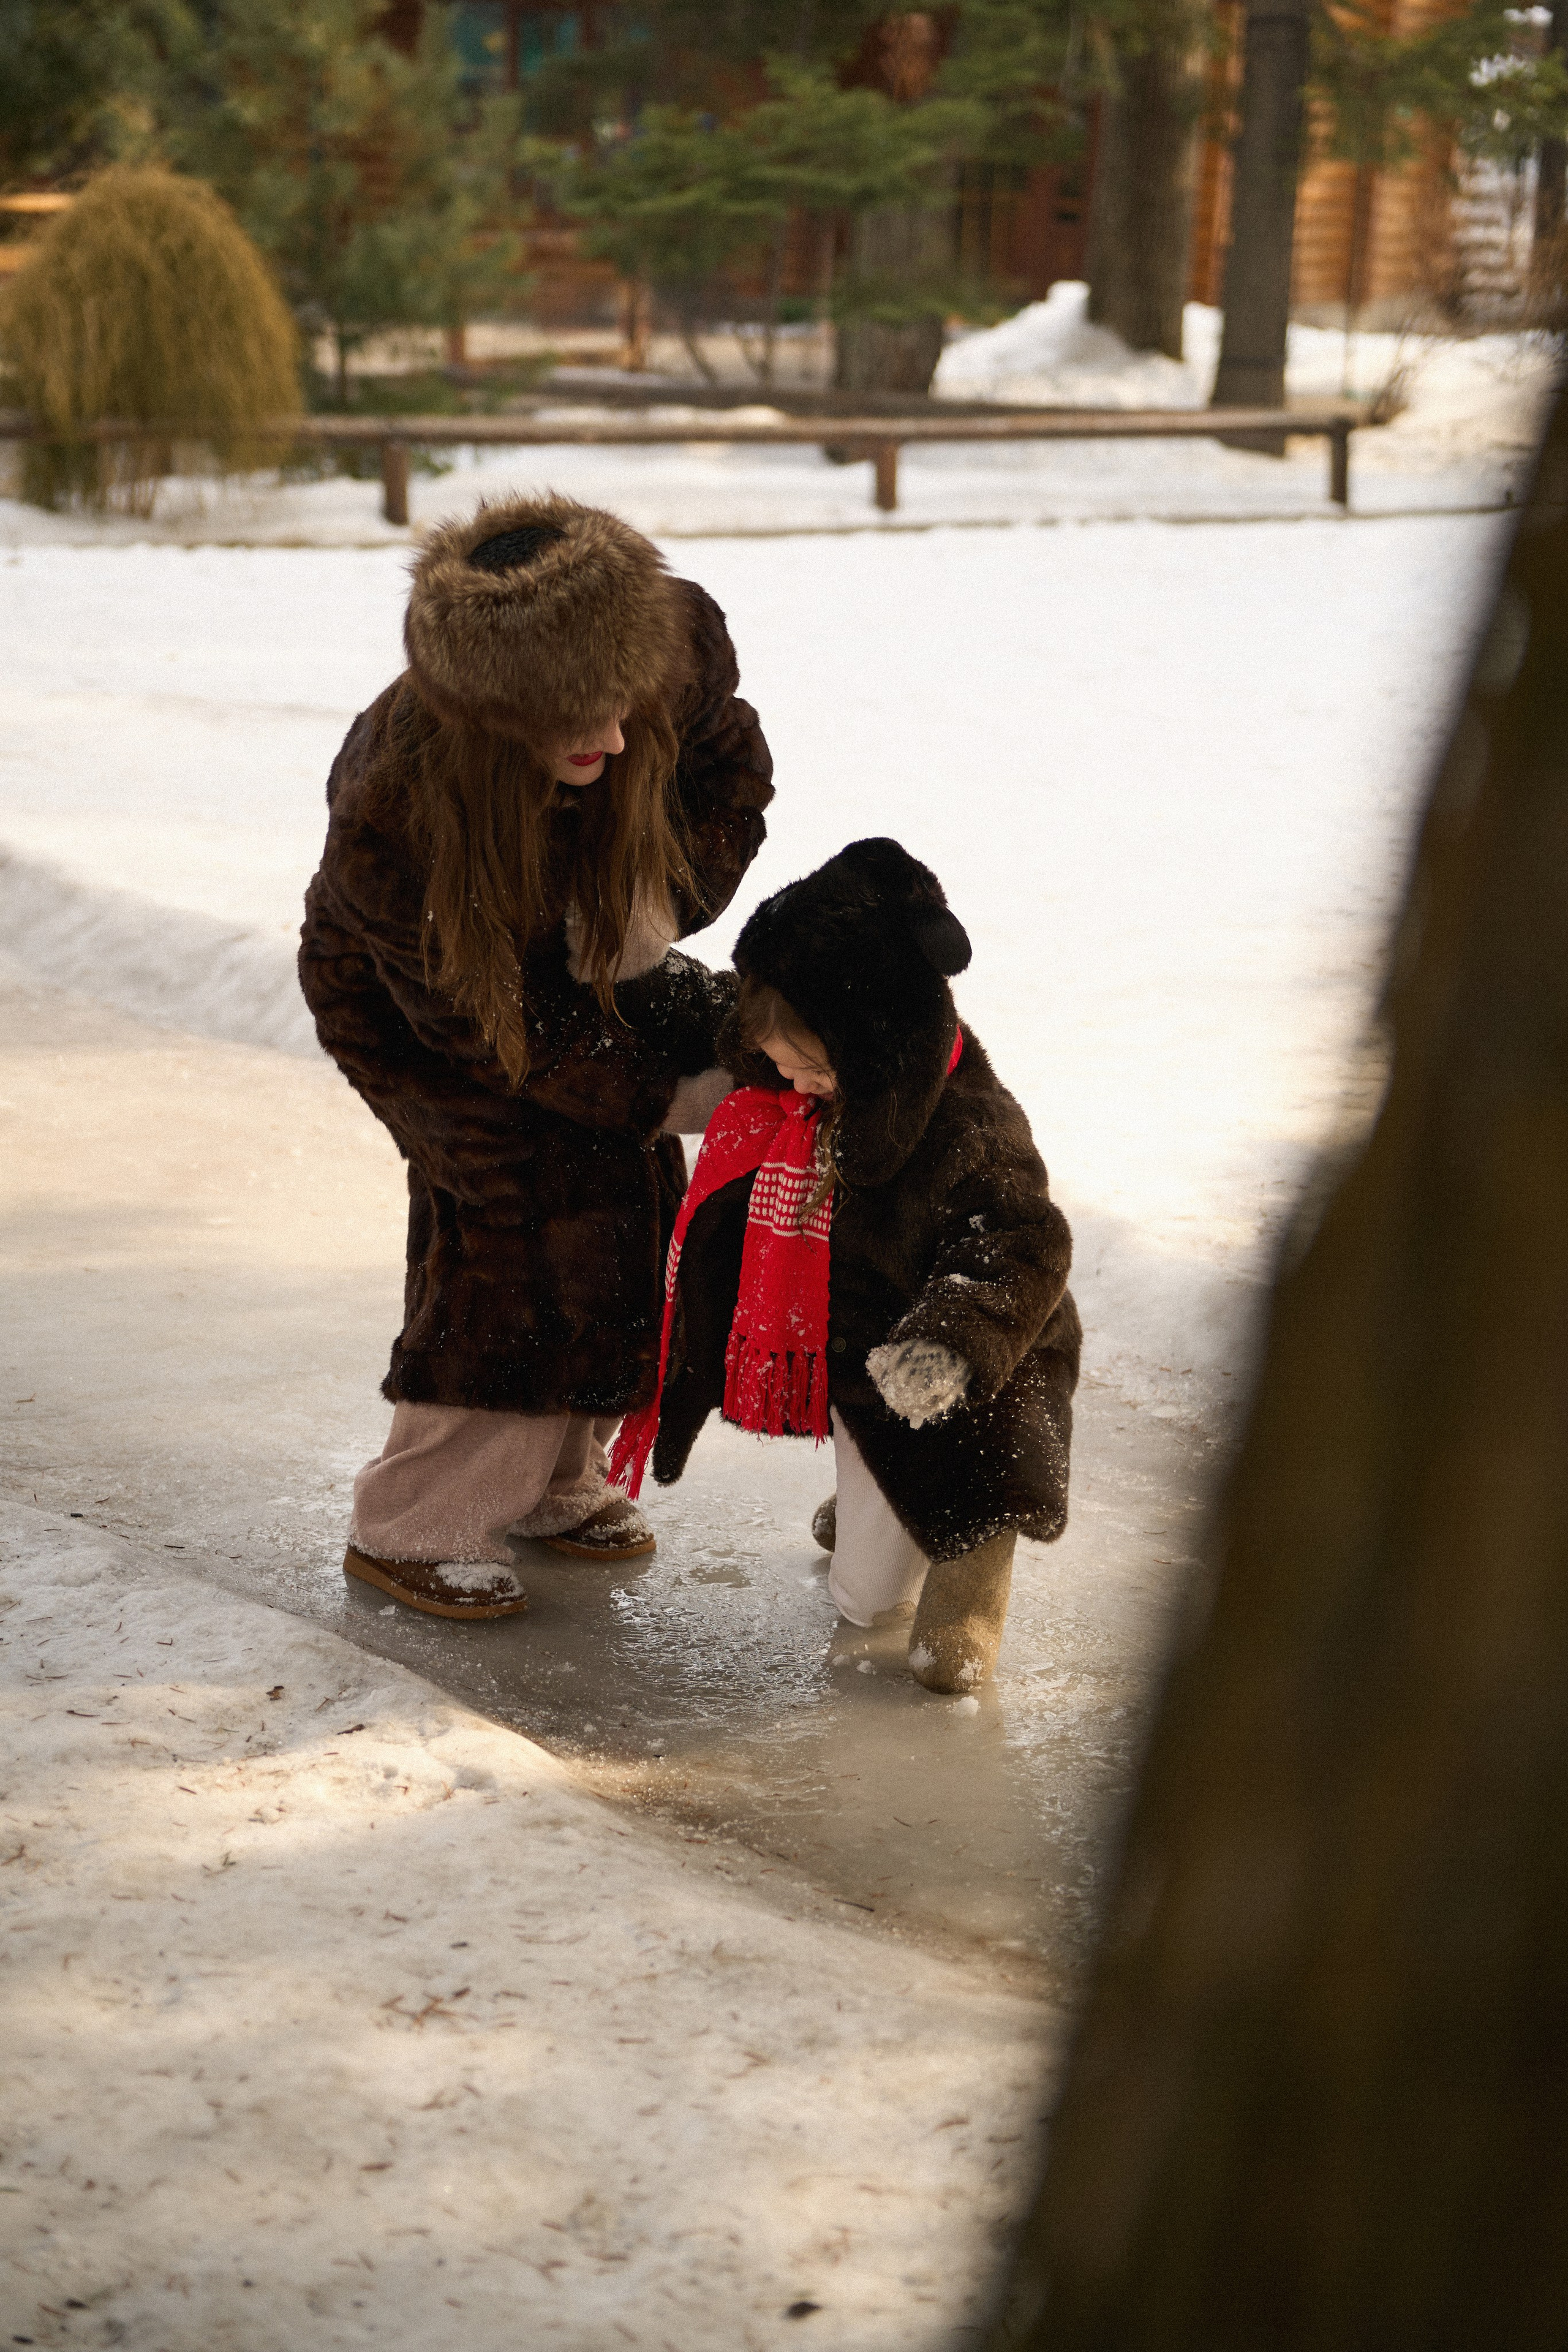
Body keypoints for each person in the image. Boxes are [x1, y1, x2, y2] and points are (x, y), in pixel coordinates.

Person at [298, 493, 773, 1620]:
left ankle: (563, 1478)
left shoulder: (670, 642)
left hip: (577, 930)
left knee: (628, 1204)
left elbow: (731, 772)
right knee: (516, 1212)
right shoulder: (399, 809)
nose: (611, 743)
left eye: (620, 714)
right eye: (574, 728)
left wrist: (649, 892)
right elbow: (494, 1034)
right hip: (419, 1002)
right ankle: (417, 1522)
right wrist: (667, 1092)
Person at [610, 837, 1080, 1694]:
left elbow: (1025, 1243)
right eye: (775, 1051)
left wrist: (950, 1345)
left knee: (897, 1581)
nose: (784, 1073)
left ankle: (975, 1556)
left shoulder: (965, 1128)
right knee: (864, 1566)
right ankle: (887, 1509)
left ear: (870, 1046)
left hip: (968, 1364)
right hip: (858, 1353)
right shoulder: (783, 1108)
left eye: (808, 1060)